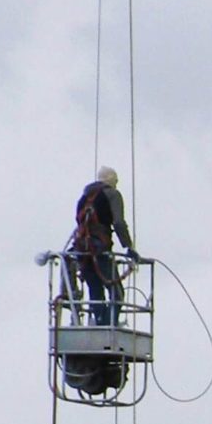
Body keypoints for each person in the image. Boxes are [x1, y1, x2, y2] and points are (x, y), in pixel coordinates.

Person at [63, 166, 141, 395]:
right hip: (99, 250)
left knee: (95, 292)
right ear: (112, 181)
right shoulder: (112, 194)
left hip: (82, 252)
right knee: (116, 291)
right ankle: (111, 326)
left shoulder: (84, 198)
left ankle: (99, 322)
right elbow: (118, 223)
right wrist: (129, 248)